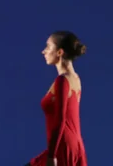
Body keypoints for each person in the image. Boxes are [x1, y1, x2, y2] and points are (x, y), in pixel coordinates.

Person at [26, 31, 87, 166]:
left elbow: (61, 119)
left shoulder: (62, 81)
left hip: (62, 147)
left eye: (48, 47)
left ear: (59, 52)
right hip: (75, 145)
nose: (44, 51)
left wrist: (52, 156)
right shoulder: (75, 79)